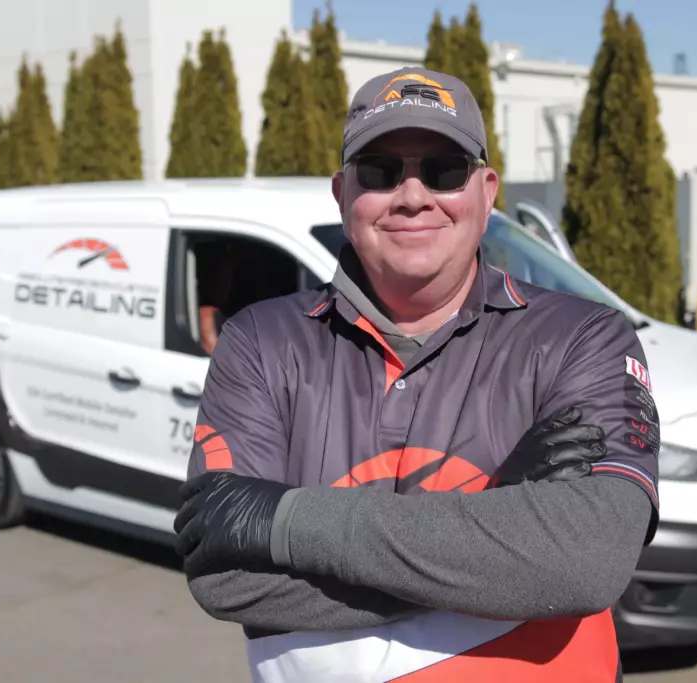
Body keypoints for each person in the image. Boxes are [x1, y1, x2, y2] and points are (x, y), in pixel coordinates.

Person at [174, 67, 660, 682]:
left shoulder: (580, 337)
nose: (411, 194)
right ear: (342, 193)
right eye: (380, 171)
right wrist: (501, 532)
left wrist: (284, 521)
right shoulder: (260, 342)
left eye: (444, 171)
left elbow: (587, 559)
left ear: (486, 192)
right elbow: (223, 578)